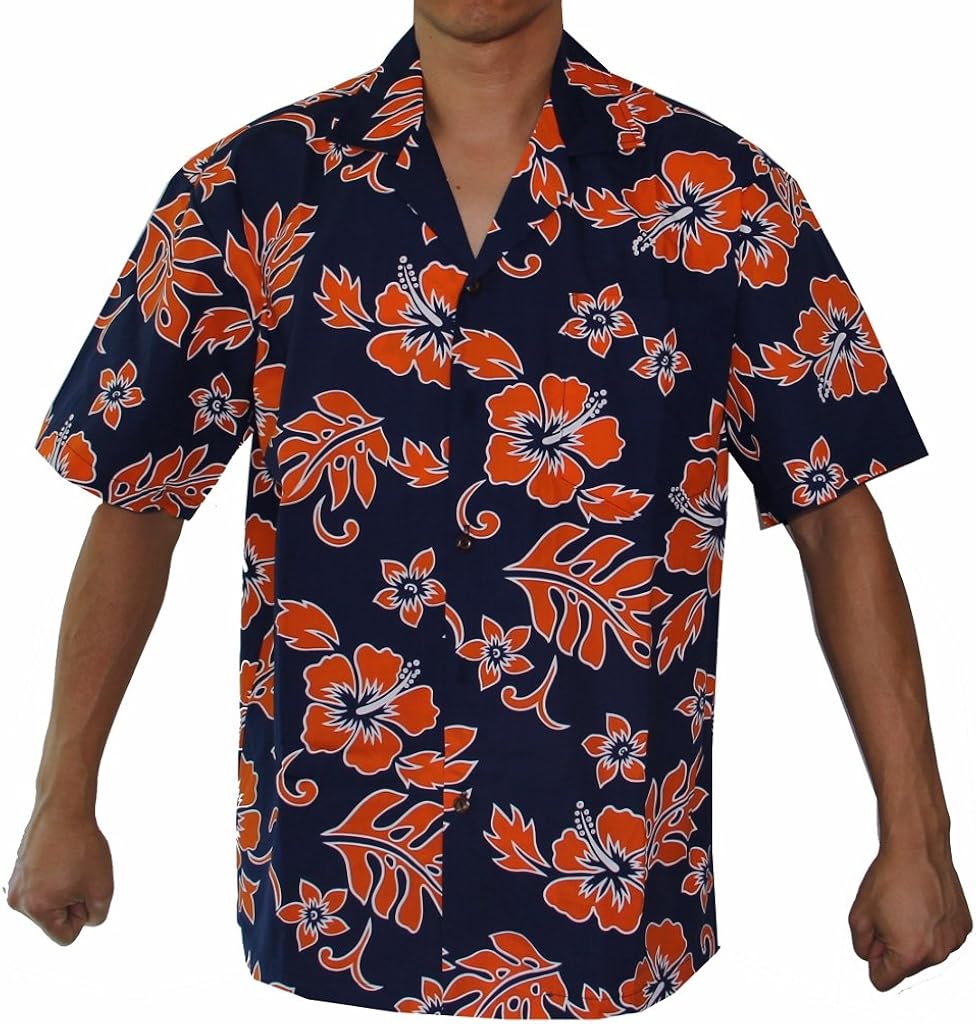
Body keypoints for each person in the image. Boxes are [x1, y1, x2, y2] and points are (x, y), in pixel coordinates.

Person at [8, 0, 970, 1016]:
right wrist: (62, 800)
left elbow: (834, 514)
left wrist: (919, 836)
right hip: (329, 915)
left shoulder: (722, 201)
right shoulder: (247, 193)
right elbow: (137, 497)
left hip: (612, 914)